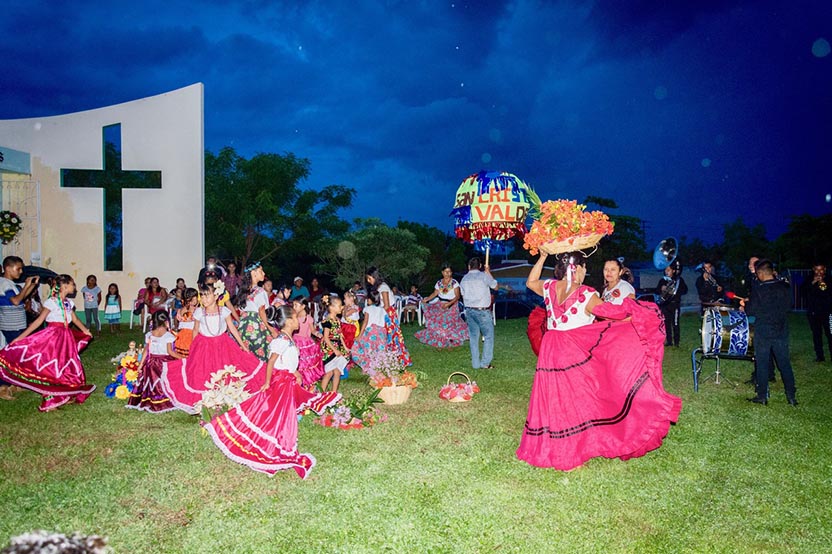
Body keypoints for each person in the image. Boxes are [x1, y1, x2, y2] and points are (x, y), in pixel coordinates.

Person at [517, 252, 682, 470]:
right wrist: (639, 314)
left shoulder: (549, 287)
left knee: (553, 395)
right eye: (584, 268)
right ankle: (572, 448)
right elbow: (612, 313)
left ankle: (551, 443)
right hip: (573, 349)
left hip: (551, 346)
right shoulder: (587, 293)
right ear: (577, 269)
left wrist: (543, 257)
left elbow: (530, 282)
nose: (586, 272)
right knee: (577, 398)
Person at [202, 305, 341, 478]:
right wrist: (268, 382)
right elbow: (272, 362)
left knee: (279, 413)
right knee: (279, 414)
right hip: (280, 382)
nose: (298, 320)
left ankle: (278, 439)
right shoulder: (281, 340)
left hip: (287, 379)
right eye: (296, 318)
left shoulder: (287, 338)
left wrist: (295, 372)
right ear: (289, 321)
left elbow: (286, 361)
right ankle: (278, 443)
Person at [160, 282, 266, 414]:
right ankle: (208, 399)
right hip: (203, 345)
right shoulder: (199, 312)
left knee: (225, 369)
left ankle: (226, 396)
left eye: (207, 296)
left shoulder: (224, 311)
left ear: (216, 296)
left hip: (223, 345)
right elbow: (195, 329)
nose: (204, 299)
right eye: (202, 296)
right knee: (203, 371)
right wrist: (193, 346)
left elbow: (232, 329)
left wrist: (242, 345)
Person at [0, 275, 95, 412]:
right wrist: (20, 338)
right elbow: (39, 321)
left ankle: (65, 392)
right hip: (52, 338)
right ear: (65, 286)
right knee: (53, 368)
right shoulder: (52, 302)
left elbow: (74, 319)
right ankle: (50, 400)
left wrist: (85, 331)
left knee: (68, 366)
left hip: (65, 339)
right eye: (72, 284)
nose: (74, 287)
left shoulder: (68, 303)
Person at [742, 259, 797, 406]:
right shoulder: (785, 287)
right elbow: (789, 306)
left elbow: (750, 311)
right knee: (784, 363)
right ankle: (791, 396)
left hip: (764, 331)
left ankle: (762, 396)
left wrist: (745, 305)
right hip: (781, 330)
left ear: (760, 273)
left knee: (762, 363)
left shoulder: (759, 290)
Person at [127, 311, 183, 413]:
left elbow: (146, 351)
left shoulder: (150, 334)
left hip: (151, 362)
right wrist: (183, 357)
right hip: (163, 362)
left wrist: (140, 366)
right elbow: (170, 352)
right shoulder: (167, 336)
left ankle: (150, 399)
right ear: (166, 322)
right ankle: (165, 400)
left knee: (151, 382)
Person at [365, 267, 412, 366]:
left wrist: (378, 314)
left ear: (375, 277)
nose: (368, 281)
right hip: (384, 313)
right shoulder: (378, 287)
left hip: (388, 314)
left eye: (369, 278)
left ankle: (396, 358)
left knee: (391, 335)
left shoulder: (383, 287)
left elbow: (386, 305)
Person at [416, 265, 469, 348]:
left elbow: (457, 296)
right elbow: (435, 293)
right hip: (441, 305)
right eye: (445, 271)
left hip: (452, 306)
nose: (447, 273)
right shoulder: (439, 283)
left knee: (449, 325)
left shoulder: (454, 283)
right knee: (440, 324)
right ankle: (441, 342)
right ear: (442, 272)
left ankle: (450, 343)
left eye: (449, 272)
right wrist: (426, 300)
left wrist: (449, 304)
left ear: (451, 273)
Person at [235, 262, 278, 361]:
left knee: (247, 356)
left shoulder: (242, 291)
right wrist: (271, 330)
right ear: (253, 273)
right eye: (261, 271)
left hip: (243, 327)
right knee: (260, 356)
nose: (264, 273)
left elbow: (241, 311)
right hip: (256, 326)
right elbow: (262, 312)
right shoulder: (260, 291)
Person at [459, 257, 497, 369]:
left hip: (469, 310)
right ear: (480, 266)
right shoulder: (484, 276)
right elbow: (495, 286)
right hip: (482, 311)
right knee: (488, 336)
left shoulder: (464, 279)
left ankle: (475, 364)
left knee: (473, 337)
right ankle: (485, 363)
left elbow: (462, 294)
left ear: (469, 267)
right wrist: (488, 272)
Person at [351, 291, 392, 370]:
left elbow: (365, 322)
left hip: (370, 332)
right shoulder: (382, 310)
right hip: (381, 333)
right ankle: (379, 365)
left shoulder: (368, 309)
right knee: (378, 350)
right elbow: (387, 321)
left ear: (370, 299)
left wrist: (360, 335)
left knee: (366, 349)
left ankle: (368, 366)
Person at [801, 263, 832, 363]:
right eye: (817, 270)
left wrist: (823, 283)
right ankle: (820, 356)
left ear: (825, 269)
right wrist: (813, 282)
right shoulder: (809, 279)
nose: (819, 272)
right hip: (814, 313)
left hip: (828, 312)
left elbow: (827, 293)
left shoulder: (829, 279)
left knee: (830, 334)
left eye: (821, 270)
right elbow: (802, 292)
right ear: (813, 269)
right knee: (817, 335)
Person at [292, 297, 325, 387]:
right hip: (295, 342)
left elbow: (313, 330)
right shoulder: (293, 317)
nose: (293, 307)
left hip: (305, 344)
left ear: (303, 306)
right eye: (293, 305)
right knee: (297, 364)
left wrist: (318, 334)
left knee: (306, 365)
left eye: (296, 305)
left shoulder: (308, 318)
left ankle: (307, 382)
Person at [319, 295, 349, 393]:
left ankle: (334, 392)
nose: (342, 307)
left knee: (337, 371)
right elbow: (326, 338)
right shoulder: (327, 321)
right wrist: (334, 350)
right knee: (329, 372)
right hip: (330, 349)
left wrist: (345, 347)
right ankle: (321, 393)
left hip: (338, 347)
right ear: (331, 308)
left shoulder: (337, 320)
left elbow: (340, 335)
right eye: (340, 306)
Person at [656, 261, 688, 347]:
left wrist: (676, 291)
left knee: (675, 323)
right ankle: (669, 342)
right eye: (666, 270)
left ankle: (676, 342)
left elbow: (685, 290)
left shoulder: (678, 280)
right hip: (665, 305)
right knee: (666, 323)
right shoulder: (663, 280)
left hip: (675, 305)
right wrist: (662, 288)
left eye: (668, 270)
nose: (666, 271)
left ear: (673, 270)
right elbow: (657, 291)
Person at [174, 287, 198, 356]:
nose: (195, 300)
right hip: (188, 335)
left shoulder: (194, 308)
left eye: (196, 298)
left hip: (191, 333)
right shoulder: (188, 309)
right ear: (187, 299)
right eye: (193, 298)